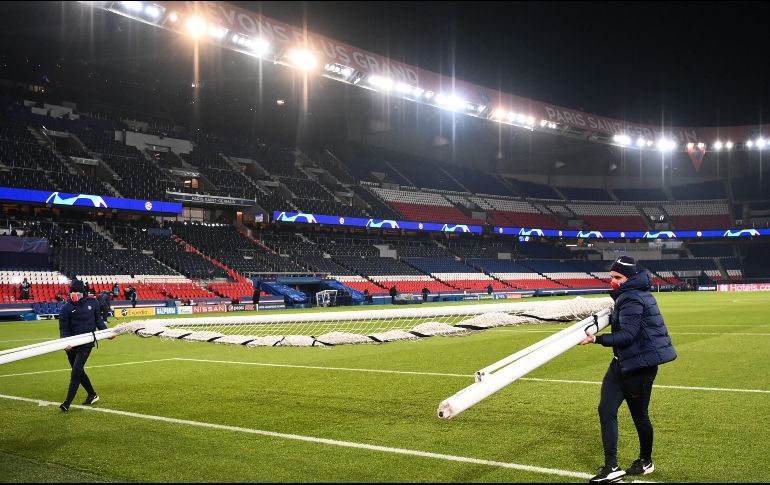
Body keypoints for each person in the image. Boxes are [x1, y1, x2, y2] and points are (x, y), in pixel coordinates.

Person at [579, 256, 677, 483]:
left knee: (639, 416)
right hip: (620, 364)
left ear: (630, 278)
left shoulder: (633, 297)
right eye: (611, 276)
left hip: (639, 368)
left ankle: (646, 461)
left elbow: (628, 335)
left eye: (617, 277)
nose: (612, 281)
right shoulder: (629, 294)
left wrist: (596, 340)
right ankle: (612, 467)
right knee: (606, 409)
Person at [58, 279, 108, 411]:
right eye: (73, 292)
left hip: (86, 343)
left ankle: (67, 403)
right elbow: (64, 329)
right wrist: (65, 342)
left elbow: (99, 321)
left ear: (83, 292)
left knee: (75, 373)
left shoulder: (93, 303)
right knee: (79, 371)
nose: (75, 294)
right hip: (71, 345)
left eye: (78, 292)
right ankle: (92, 394)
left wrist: (107, 333)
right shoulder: (66, 308)